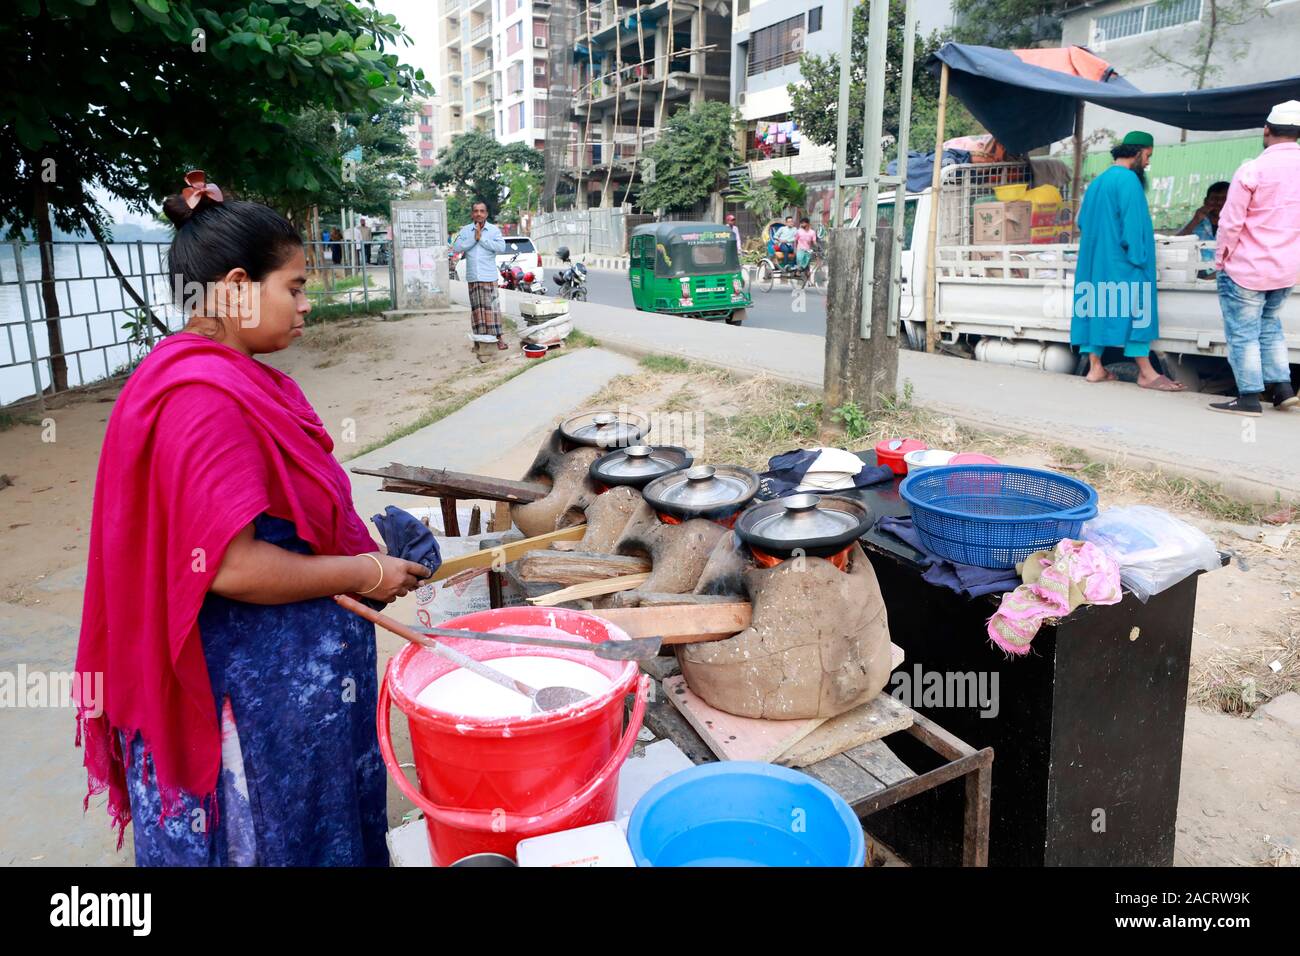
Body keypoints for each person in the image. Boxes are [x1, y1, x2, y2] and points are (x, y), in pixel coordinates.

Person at [73, 170, 430, 866]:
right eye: (294, 287)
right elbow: (230, 566)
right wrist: (369, 570)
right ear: (237, 286)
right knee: (267, 842)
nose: (306, 305)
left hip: (280, 686)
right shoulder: (203, 398)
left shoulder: (215, 375)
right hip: (248, 705)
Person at [1070, 131, 1184, 391]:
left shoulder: (1098, 182)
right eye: (1148, 157)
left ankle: (1095, 367)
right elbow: (1133, 227)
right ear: (1137, 152)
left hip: (1096, 263)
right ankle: (1146, 373)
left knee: (1095, 309)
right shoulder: (1129, 181)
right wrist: (1140, 259)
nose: (1147, 163)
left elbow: (1082, 222)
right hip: (1124, 262)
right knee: (1139, 313)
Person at [1208, 101, 1300, 416]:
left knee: (1243, 331)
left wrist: (1220, 260)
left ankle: (1248, 396)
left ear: (1266, 130)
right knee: (1270, 325)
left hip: (1247, 268)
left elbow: (1230, 222)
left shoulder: (1253, 169)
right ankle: (1283, 390)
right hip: (1286, 269)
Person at [451, 201, 510, 350]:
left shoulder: (493, 230)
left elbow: (501, 247)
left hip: (489, 275)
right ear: (472, 214)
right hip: (473, 276)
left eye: (482, 211)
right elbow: (457, 247)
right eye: (476, 211)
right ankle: (479, 342)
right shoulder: (465, 231)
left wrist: (481, 238)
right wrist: (474, 238)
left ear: (486, 214)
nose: (478, 214)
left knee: (492, 309)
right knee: (477, 310)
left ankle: (498, 339)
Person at [1177, 181, 1230, 277]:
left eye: (1224, 199)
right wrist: (1195, 220)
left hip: (1225, 276)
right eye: (1214, 199)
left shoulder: (1237, 225)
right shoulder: (1195, 222)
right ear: (1205, 201)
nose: (1219, 203)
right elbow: (1174, 243)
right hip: (1196, 274)